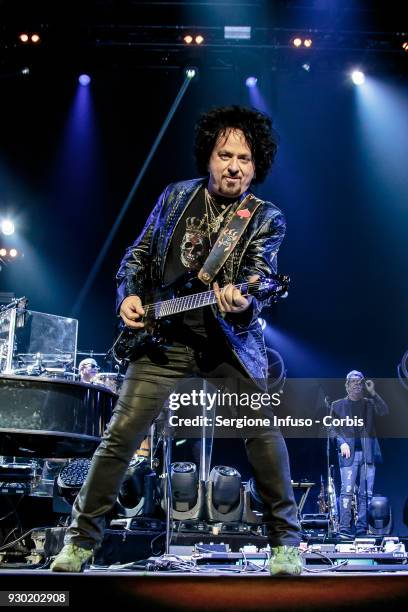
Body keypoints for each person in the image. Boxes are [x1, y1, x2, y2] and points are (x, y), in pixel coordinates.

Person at [51, 105, 302, 575]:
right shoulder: (175, 197)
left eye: (244, 159)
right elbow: (137, 255)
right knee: (120, 436)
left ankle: (285, 545)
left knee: (263, 434)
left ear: (257, 164)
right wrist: (128, 295)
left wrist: (244, 300)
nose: (233, 166)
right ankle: (80, 543)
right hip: (162, 338)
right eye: (225, 154)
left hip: (227, 343)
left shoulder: (265, 217)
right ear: (207, 156)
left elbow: (262, 275)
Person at [330, 370, 389, 536]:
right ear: (347, 385)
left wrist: (373, 393)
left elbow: (384, 411)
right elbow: (331, 429)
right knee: (347, 491)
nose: (357, 384)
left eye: (360, 382)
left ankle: (362, 527)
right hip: (348, 455)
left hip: (368, 454)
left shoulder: (369, 403)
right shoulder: (337, 405)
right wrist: (341, 443)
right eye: (353, 382)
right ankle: (344, 528)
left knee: (366, 494)